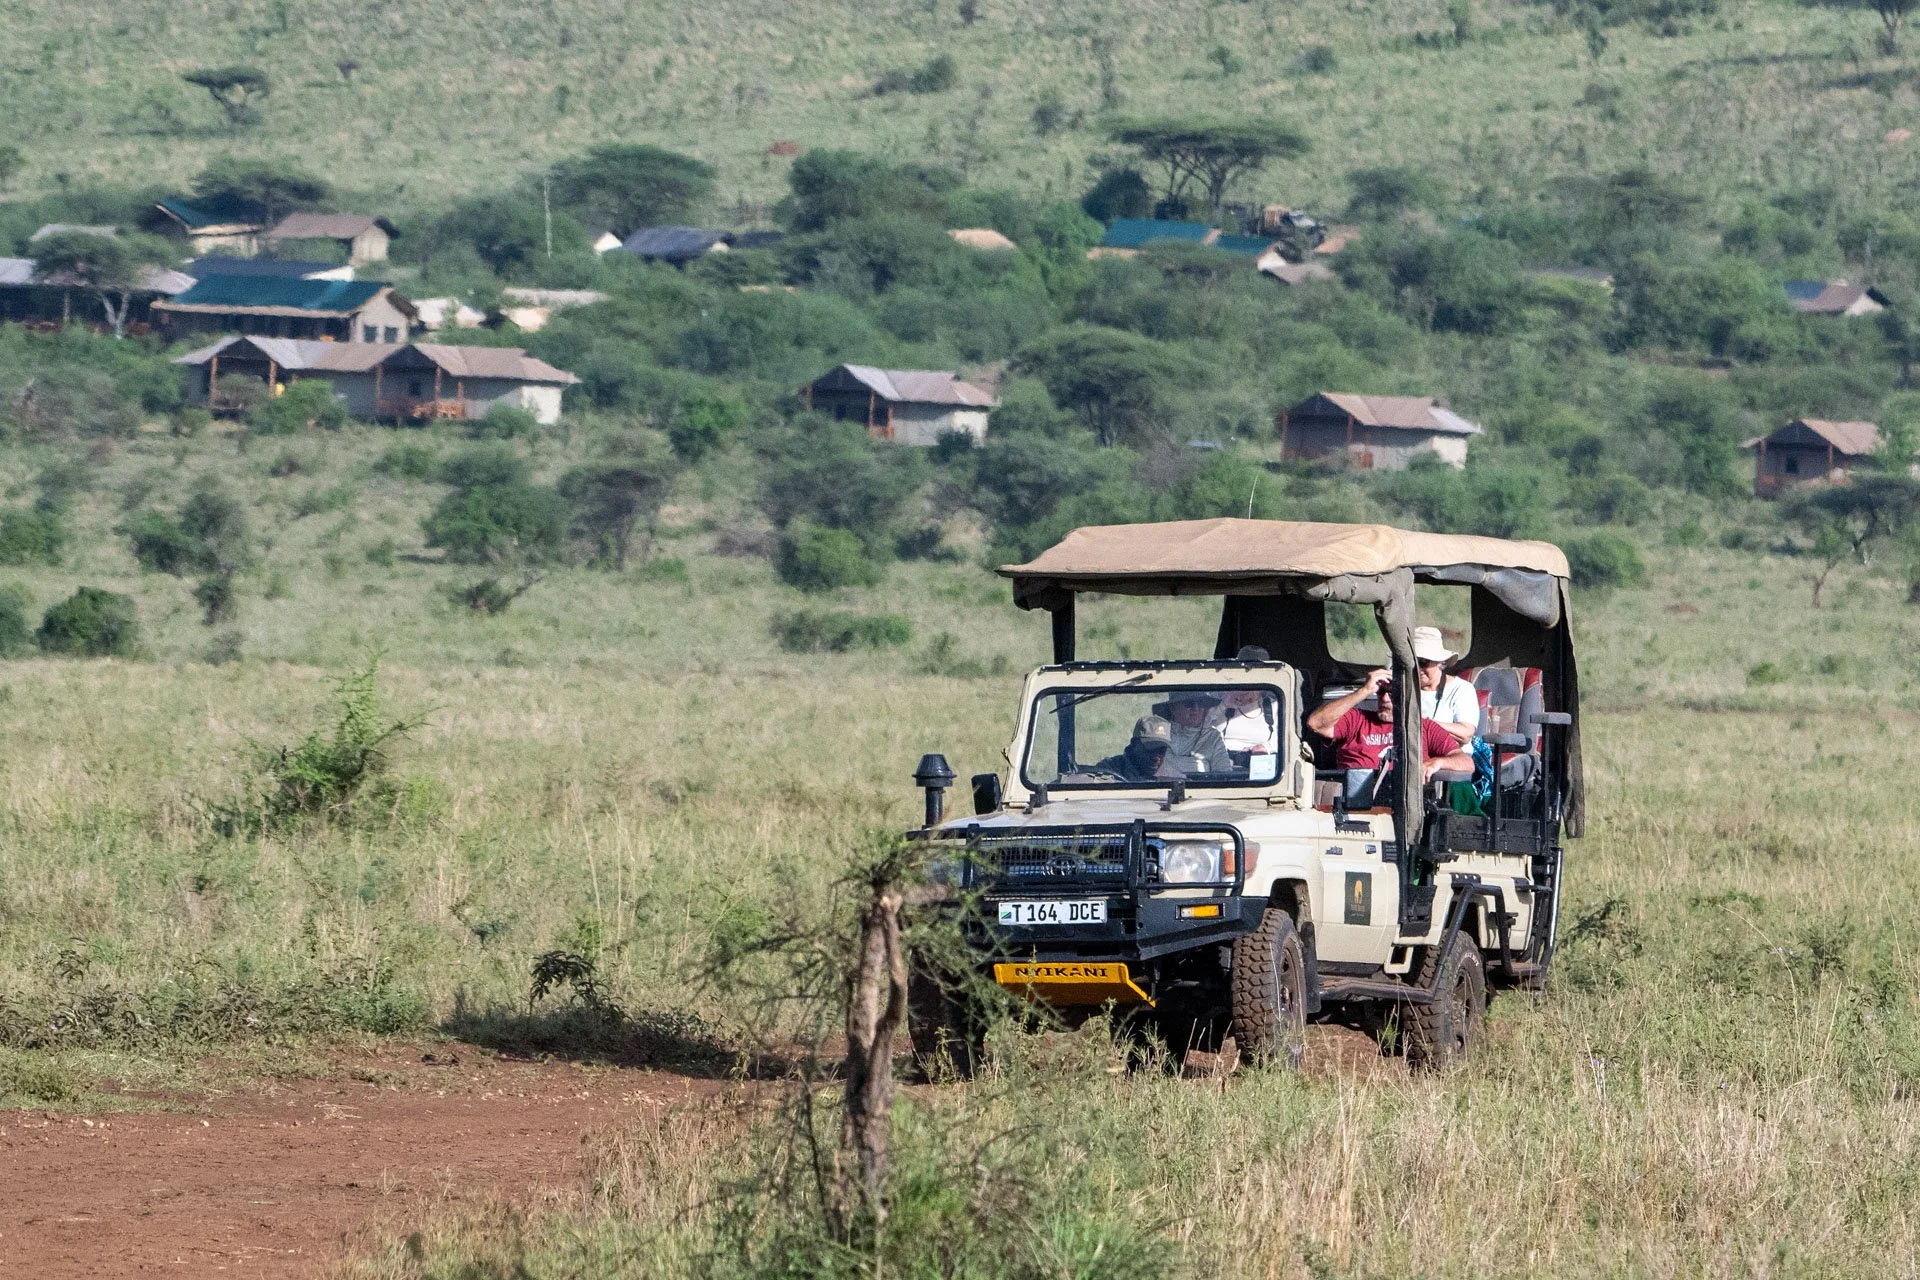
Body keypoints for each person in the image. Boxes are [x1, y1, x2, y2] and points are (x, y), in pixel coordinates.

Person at [1305, 668, 1472, 783]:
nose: (1384, 699)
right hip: (1354, 803)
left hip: (1403, 808)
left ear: (1408, 698)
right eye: (1381, 692)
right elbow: (1315, 723)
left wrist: (1437, 763)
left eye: (1392, 693)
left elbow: (1466, 763)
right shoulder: (1356, 719)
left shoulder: (1425, 727)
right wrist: (1364, 691)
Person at [1413, 626, 1479, 745]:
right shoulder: (1401, 689)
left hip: (1451, 758)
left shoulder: (1462, 689)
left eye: (1423, 662)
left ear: (1439, 662)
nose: (1418, 668)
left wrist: (1424, 724)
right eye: (1413, 662)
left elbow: (1465, 734)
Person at [1156, 692, 1232, 774]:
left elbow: (1224, 775)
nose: (1195, 708)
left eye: (1200, 703)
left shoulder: (1213, 736)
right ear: (1173, 707)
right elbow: (1151, 768)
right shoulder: (1158, 732)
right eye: (1189, 703)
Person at [1090, 715, 1182, 781]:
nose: (1156, 757)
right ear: (1134, 744)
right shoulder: (1109, 769)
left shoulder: (1174, 778)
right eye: (1150, 748)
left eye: (1162, 750)